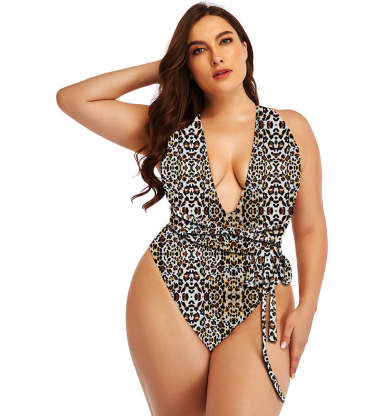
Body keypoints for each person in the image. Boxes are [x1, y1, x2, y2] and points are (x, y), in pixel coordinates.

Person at [56, 3, 327, 415]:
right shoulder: (170, 128)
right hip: (170, 289)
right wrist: (164, 67)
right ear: (187, 64)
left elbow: (310, 227)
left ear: (245, 48)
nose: (216, 57)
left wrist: (308, 306)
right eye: (198, 50)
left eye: (225, 41)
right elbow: (74, 99)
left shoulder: (293, 128)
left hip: (262, 294)